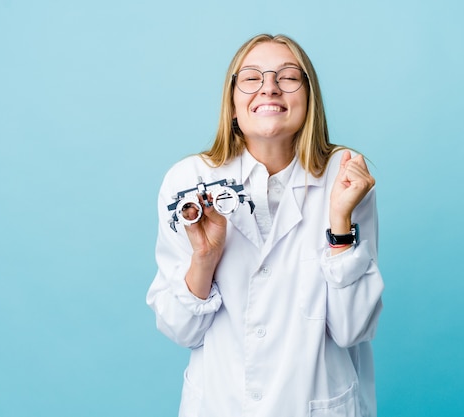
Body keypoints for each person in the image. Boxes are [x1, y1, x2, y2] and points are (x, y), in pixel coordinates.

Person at [147, 33, 384, 417]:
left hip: (317, 402)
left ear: (309, 97)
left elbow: (352, 328)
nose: (269, 88)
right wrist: (204, 259)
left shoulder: (344, 177)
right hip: (222, 403)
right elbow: (180, 330)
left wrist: (340, 223)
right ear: (233, 99)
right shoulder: (187, 181)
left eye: (288, 77)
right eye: (252, 77)